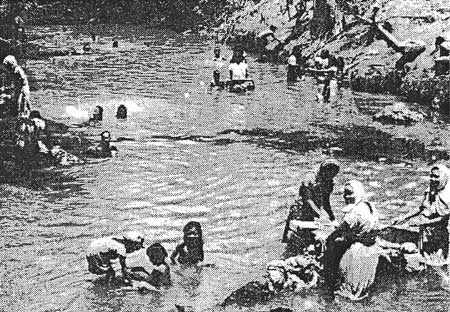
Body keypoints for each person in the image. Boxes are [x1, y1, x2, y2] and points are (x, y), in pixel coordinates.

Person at [322, 180, 379, 296]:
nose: (345, 197)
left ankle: (329, 281)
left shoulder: (355, 212)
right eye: (345, 193)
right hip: (371, 249)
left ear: (357, 193)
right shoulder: (369, 205)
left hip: (357, 252)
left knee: (332, 244)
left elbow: (339, 232)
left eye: (349, 193)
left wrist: (328, 239)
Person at [282, 159, 340, 254]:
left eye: (333, 174)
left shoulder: (329, 182)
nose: (331, 176)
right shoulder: (310, 177)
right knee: (294, 232)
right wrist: (321, 214)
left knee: (310, 234)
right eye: (329, 173)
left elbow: (326, 201)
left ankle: (307, 250)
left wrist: (332, 218)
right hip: (300, 208)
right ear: (324, 170)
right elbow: (307, 199)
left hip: (313, 210)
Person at [393, 164, 450, 258]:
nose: (432, 179)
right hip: (425, 232)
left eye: (436, 177)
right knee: (423, 256)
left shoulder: (447, 196)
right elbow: (421, 208)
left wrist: (422, 222)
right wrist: (403, 218)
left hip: (438, 235)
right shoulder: (430, 191)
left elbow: (442, 218)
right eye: (431, 176)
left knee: (436, 260)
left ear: (444, 177)